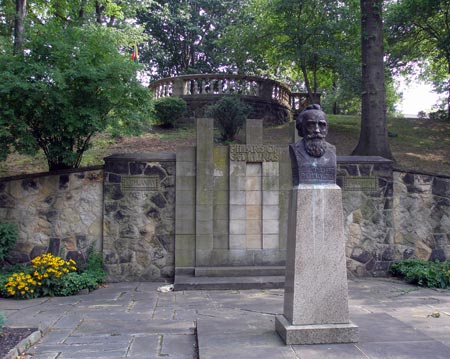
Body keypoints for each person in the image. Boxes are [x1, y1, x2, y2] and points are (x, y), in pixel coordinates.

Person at [289, 104, 336, 185]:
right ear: (301, 128)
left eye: (322, 125)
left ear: (327, 129)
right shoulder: (295, 149)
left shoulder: (332, 150)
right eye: (311, 125)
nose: (317, 130)